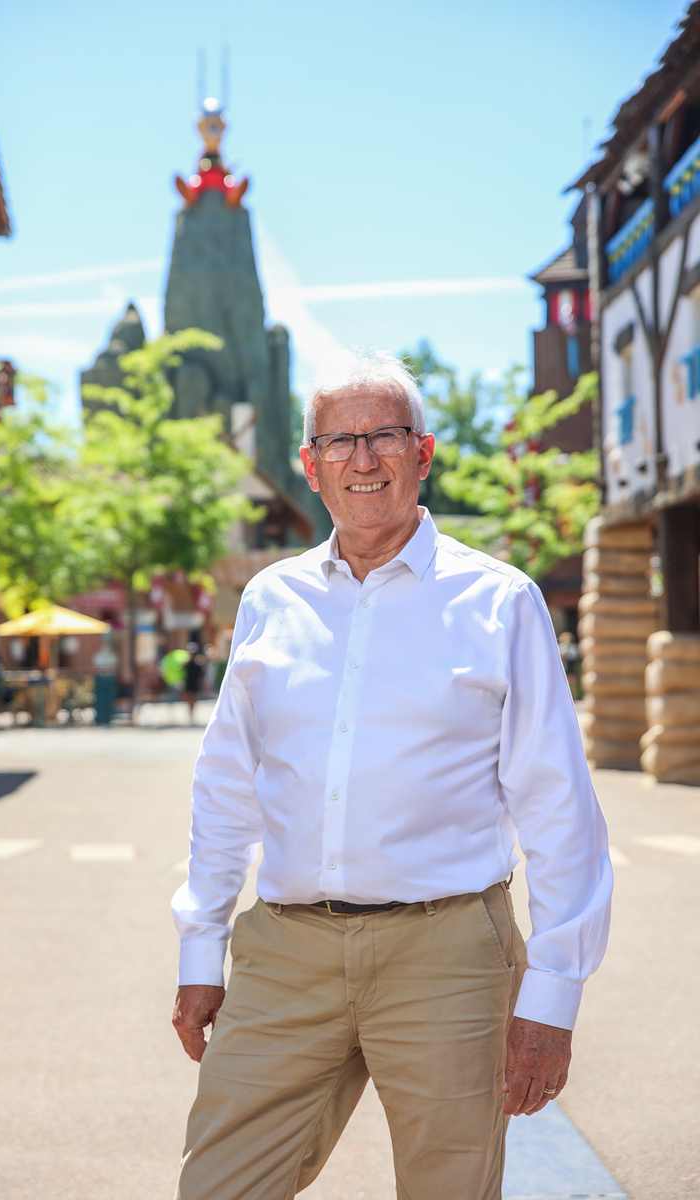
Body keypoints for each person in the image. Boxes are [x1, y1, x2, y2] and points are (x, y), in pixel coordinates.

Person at [171, 352, 613, 1200]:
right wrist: (201, 945)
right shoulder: (271, 599)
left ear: (425, 452)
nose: (363, 460)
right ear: (310, 463)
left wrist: (552, 1001)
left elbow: (558, 807)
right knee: (218, 1186)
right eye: (340, 441)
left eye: (385, 437)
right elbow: (227, 781)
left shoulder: (501, 601)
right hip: (285, 955)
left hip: (446, 954)